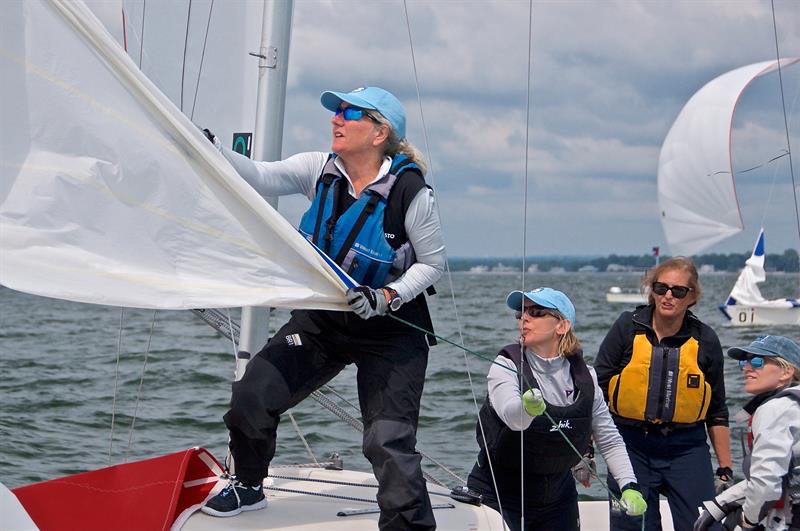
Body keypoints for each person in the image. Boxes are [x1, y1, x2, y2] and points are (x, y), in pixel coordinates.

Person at [199, 86, 444, 530]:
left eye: (348, 113)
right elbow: (258, 176)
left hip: (392, 330)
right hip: (324, 322)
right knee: (252, 394)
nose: (336, 119)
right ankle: (249, 486)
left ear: (378, 132)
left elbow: (433, 263)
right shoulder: (318, 168)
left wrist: (386, 297)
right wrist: (211, 147)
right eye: (336, 111)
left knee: (388, 441)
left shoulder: (411, 192)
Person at [466, 287, 647, 531]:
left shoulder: (586, 376)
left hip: (558, 496)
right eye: (521, 313)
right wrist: (527, 408)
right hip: (500, 492)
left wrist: (629, 485)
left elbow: (609, 438)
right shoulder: (505, 365)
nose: (524, 318)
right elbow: (513, 418)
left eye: (536, 311)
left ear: (562, 326)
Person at [594, 257, 734, 531]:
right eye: (661, 288)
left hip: (686, 448)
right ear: (652, 290)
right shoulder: (626, 328)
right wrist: (586, 448)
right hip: (631, 445)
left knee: (703, 524)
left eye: (678, 290)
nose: (668, 296)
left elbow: (717, 410)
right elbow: (595, 394)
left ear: (691, 296)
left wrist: (726, 468)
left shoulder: (705, 339)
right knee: (634, 523)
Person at [694, 335, 800, 531]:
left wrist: (749, 520)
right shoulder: (793, 405)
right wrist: (719, 505)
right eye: (745, 361)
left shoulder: (776, 409)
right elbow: (780, 475)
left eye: (758, 361)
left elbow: (766, 483)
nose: (747, 368)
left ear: (786, 372)